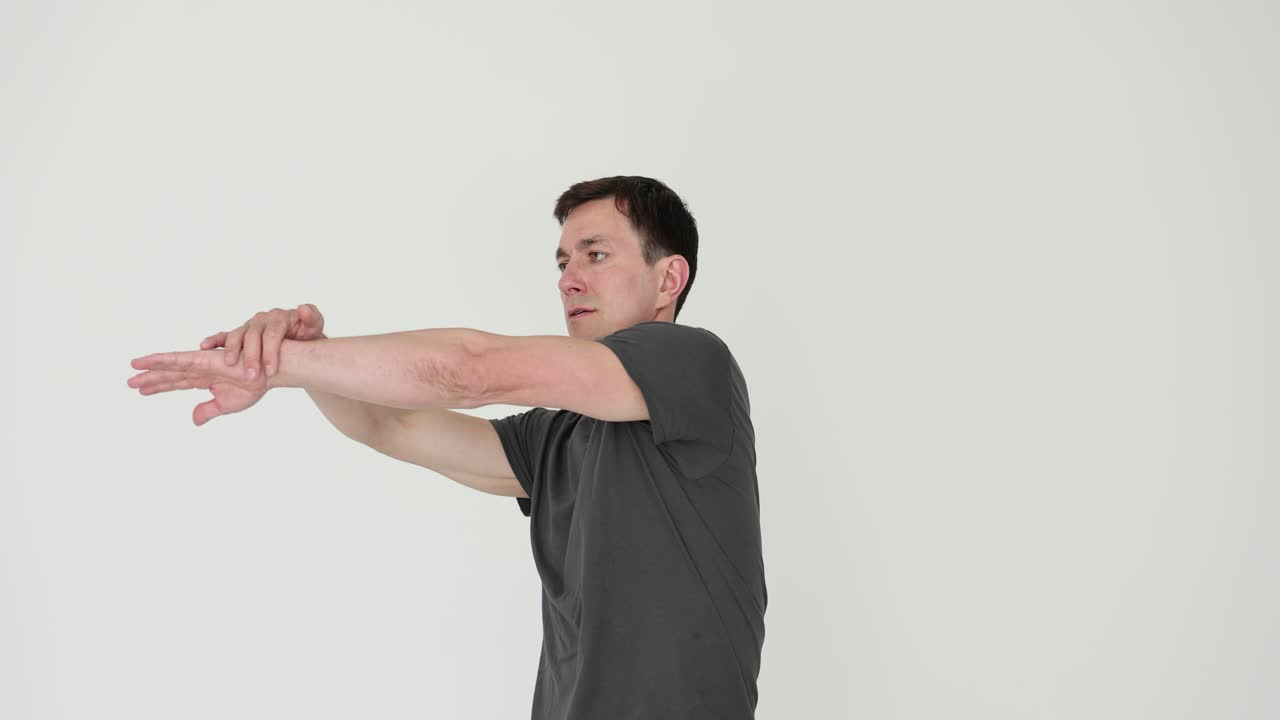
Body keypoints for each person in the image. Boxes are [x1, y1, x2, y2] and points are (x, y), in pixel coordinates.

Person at [127, 175, 767, 719]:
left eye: (595, 254)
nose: (569, 278)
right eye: (562, 261)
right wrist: (305, 362)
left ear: (669, 279)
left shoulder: (692, 362)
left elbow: (472, 370)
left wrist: (281, 361)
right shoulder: (559, 435)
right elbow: (393, 426)